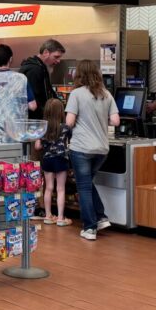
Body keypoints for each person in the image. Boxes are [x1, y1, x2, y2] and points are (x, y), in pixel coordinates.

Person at [66, 60, 120, 240]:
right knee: (87, 183)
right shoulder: (106, 94)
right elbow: (115, 121)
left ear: (78, 74)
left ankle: (90, 227)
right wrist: (99, 120)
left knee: (83, 187)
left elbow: (69, 122)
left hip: (81, 147)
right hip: (102, 149)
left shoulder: (76, 94)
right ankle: (101, 217)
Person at [0, 44, 36, 145]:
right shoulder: (22, 78)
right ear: (10, 59)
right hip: (19, 136)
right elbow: (33, 106)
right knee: (20, 160)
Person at [34, 98, 72, 226]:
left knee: (49, 188)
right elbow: (71, 141)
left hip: (47, 160)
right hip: (61, 159)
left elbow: (37, 146)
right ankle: (61, 218)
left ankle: (48, 215)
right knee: (60, 189)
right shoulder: (65, 127)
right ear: (61, 112)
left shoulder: (42, 128)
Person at [20, 39, 65, 120]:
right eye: (56, 57)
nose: (58, 61)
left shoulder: (41, 68)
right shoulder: (34, 70)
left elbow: (50, 92)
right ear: (45, 52)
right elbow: (34, 99)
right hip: (35, 123)